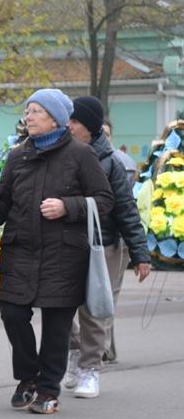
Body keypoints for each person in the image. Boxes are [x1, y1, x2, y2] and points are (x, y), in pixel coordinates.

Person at [0, 89, 113, 414]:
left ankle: (48, 389)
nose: (29, 116)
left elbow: (105, 199)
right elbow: (0, 202)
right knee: (12, 314)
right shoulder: (17, 155)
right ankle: (28, 376)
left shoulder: (80, 154)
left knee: (56, 327)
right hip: (20, 250)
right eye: (28, 110)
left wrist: (67, 206)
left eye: (36, 110)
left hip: (64, 254)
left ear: (55, 118)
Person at [63, 97, 151, 399]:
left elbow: (126, 209)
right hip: (65, 243)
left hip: (103, 245)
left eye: (74, 121)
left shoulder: (111, 162)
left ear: (89, 126)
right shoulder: (61, 153)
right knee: (59, 306)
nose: (68, 125)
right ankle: (75, 351)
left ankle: (90, 369)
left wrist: (140, 254)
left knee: (93, 309)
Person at [101, 118, 138, 364]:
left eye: (105, 132)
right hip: (100, 238)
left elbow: (124, 206)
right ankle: (106, 348)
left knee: (107, 295)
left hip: (116, 238)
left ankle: (102, 349)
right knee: (101, 296)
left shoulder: (121, 162)